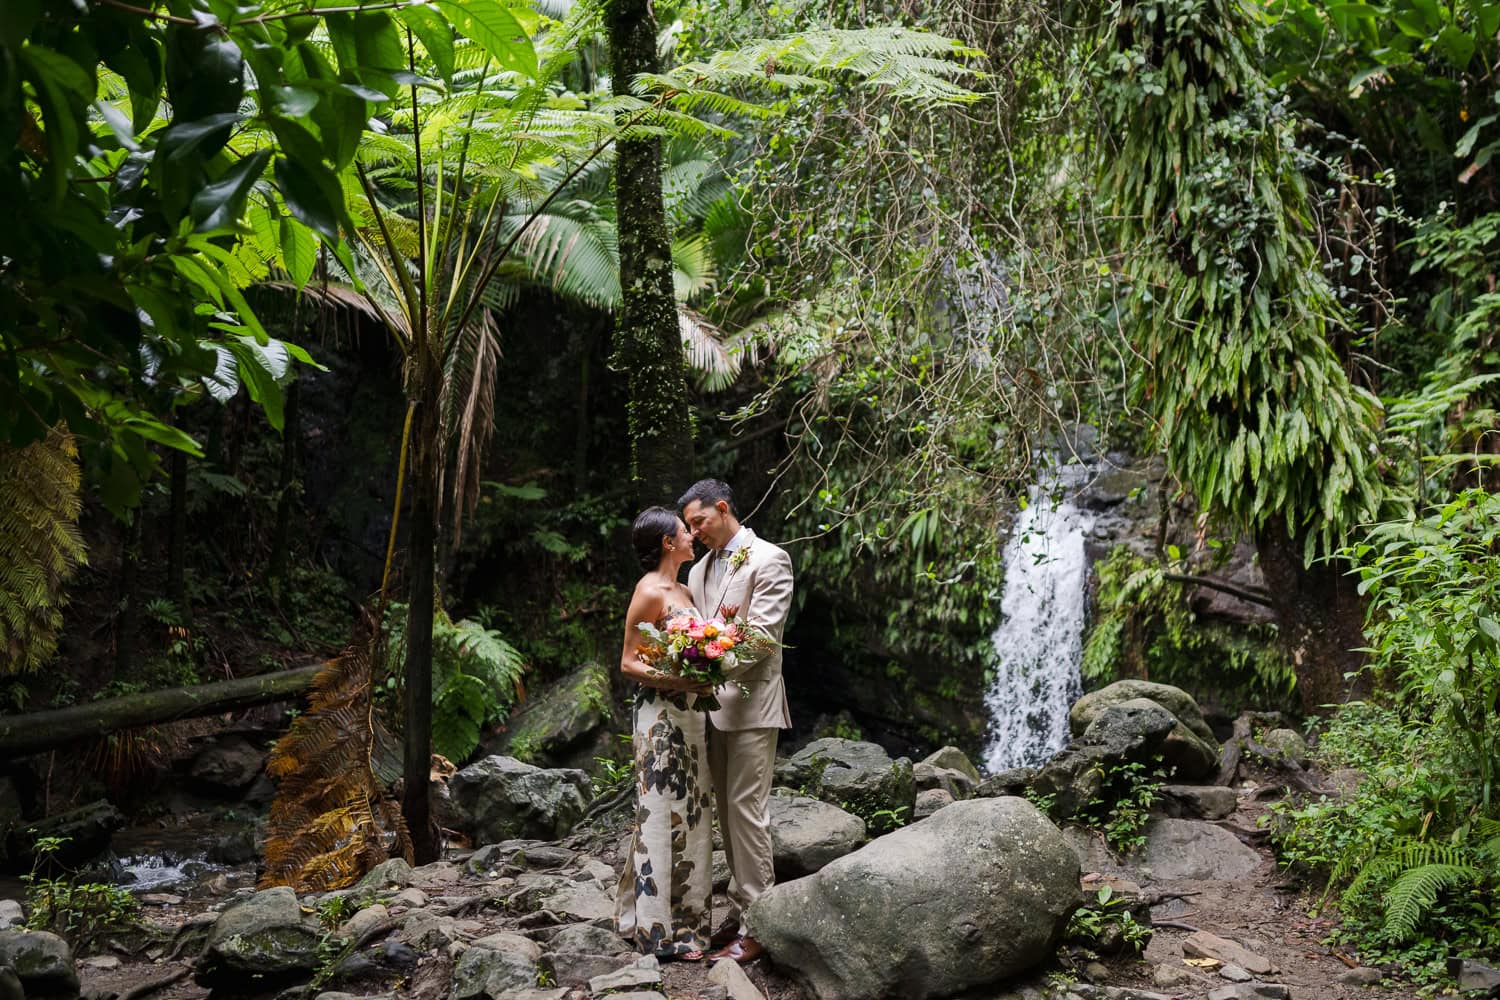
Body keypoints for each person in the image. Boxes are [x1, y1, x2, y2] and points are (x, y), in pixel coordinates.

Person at [679, 479, 794, 965]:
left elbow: (762, 637)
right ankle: (741, 908)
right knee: (724, 814)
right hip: (708, 712)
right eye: (689, 526)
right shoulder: (701, 567)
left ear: (722, 509)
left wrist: (703, 672)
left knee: (748, 813)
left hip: (750, 708)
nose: (694, 532)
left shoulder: (770, 559)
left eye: (698, 522)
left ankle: (761, 925)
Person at [613, 506, 715, 960]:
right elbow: (629, 662)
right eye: (684, 531)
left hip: (692, 714)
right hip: (659, 716)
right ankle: (657, 932)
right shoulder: (650, 591)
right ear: (668, 545)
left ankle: (690, 925)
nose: (692, 535)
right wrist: (678, 681)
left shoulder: (686, 589)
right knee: (659, 812)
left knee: (692, 813)